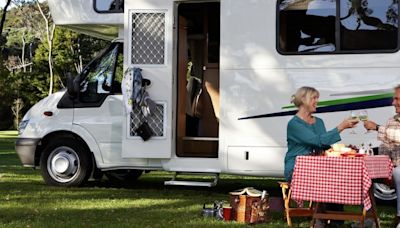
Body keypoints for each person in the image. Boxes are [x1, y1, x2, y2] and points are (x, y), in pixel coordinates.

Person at [285, 86, 358, 182]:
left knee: (346, 177)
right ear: (303, 100)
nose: (317, 101)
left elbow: (325, 146)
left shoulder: (319, 121)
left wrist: (344, 150)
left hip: (318, 167)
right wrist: (341, 127)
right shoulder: (294, 124)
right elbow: (318, 141)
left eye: (317, 98)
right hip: (297, 168)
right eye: (313, 98)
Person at [364, 85, 400, 226]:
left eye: (397, 99)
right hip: (391, 166)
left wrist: (377, 128)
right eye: (394, 99)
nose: (393, 103)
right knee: (364, 172)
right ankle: (367, 220)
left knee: (399, 172)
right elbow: (387, 147)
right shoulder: (392, 120)